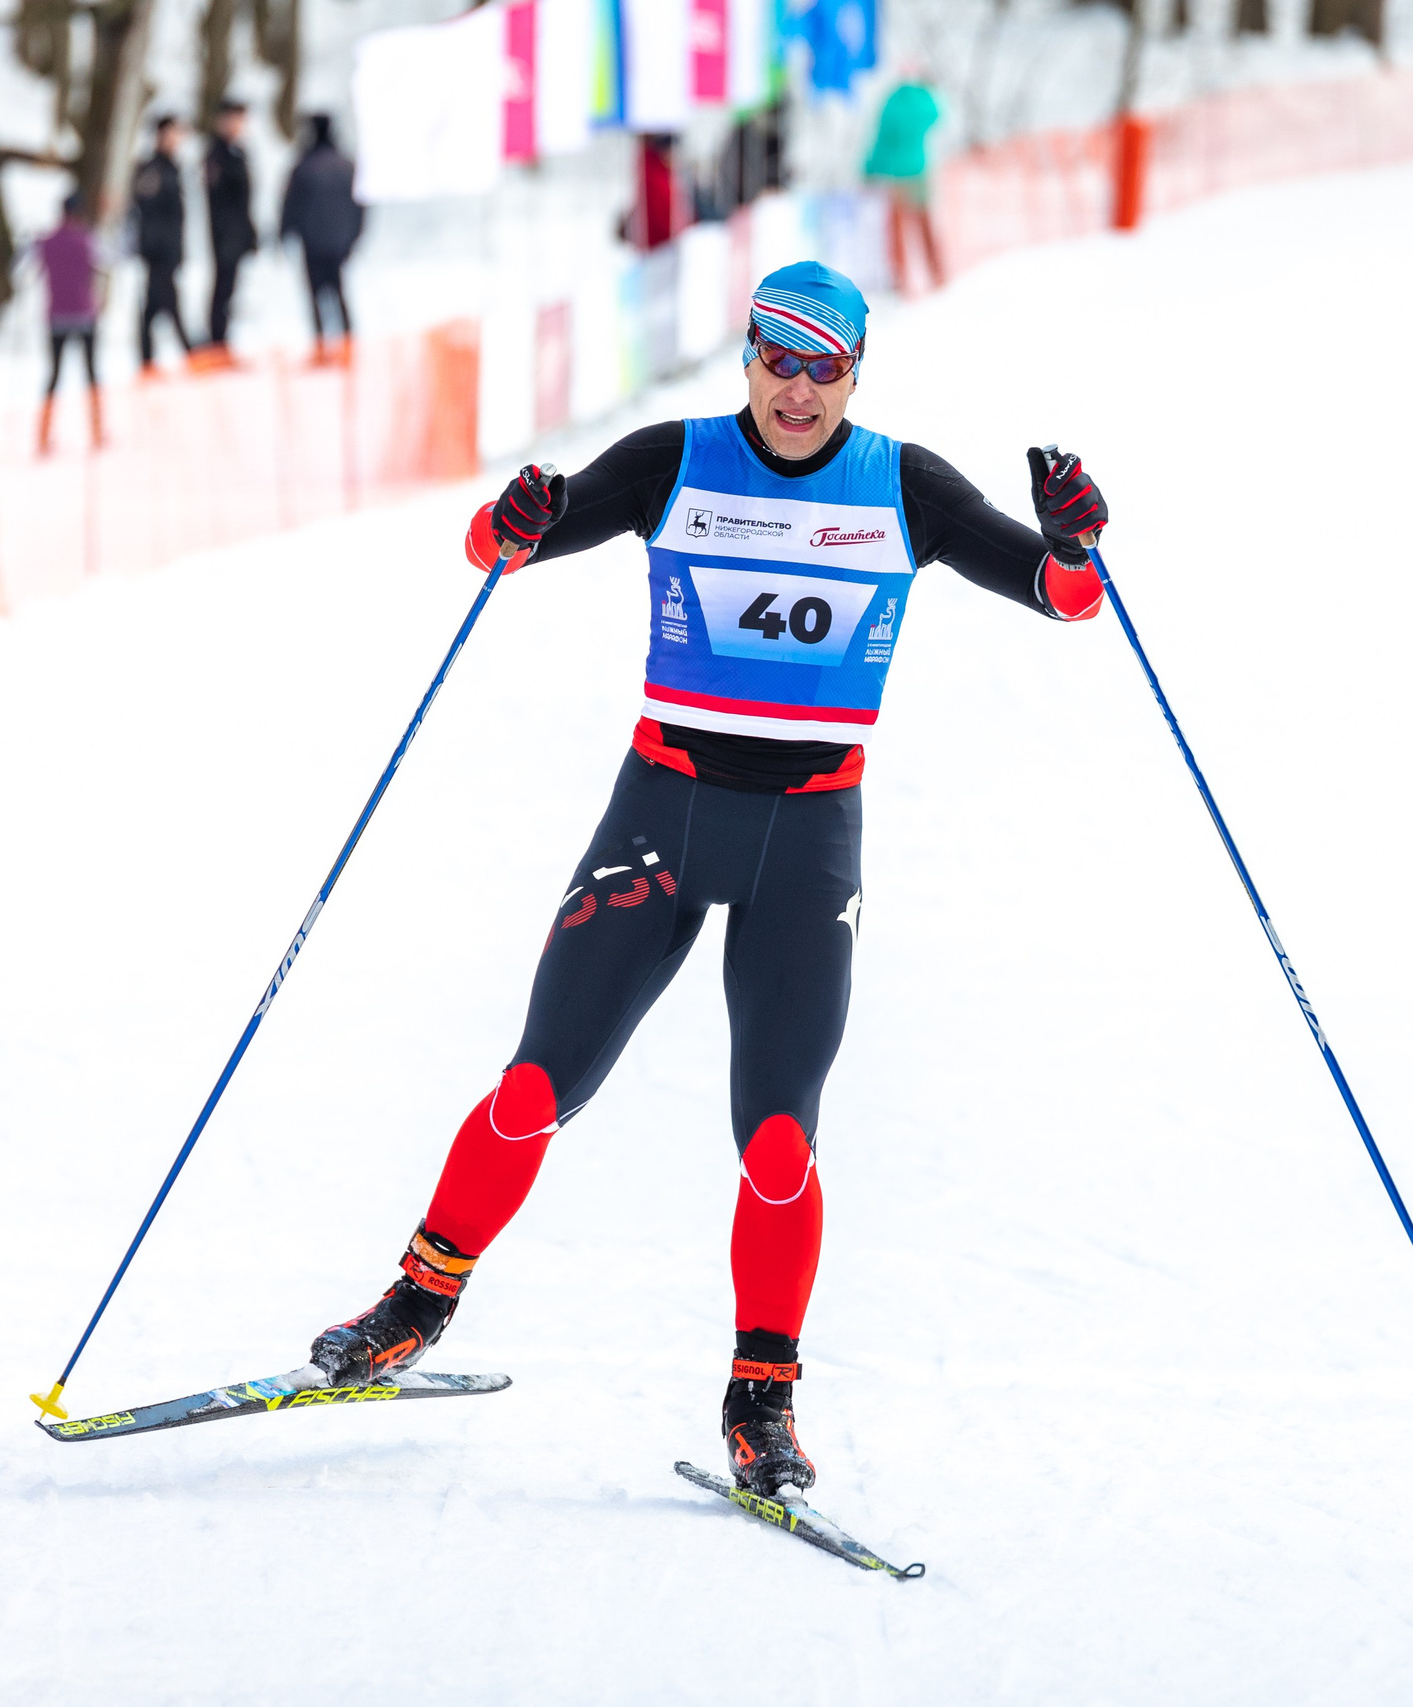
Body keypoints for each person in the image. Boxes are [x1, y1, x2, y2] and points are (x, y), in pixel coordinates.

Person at [303, 261, 1112, 1501]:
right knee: (534, 1086)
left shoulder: (902, 485)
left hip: (807, 836)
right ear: (744, 358)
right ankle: (415, 1303)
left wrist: (1071, 543)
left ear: (854, 373)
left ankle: (763, 1402)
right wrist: (514, 521)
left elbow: (1065, 601)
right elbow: (497, 547)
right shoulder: (673, 459)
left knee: (780, 1139)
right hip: (663, 816)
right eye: (775, 360)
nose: (796, 389)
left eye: (822, 366)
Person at [279, 114, 364, 365]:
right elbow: (359, 206)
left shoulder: (304, 166)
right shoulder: (346, 165)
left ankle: (321, 348)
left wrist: (286, 233)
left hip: (313, 244)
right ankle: (349, 346)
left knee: (316, 297)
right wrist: (352, 237)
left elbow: (290, 205)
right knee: (339, 294)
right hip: (338, 244)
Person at [33, 194, 107, 453]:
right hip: (85, 314)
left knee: (53, 374)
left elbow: (23, 268)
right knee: (91, 373)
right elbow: (106, 263)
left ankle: (42, 434)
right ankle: (98, 431)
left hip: (56, 316)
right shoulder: (87, 239)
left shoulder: (46, 241)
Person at [863, 75, 944, 295]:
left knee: (898, 230)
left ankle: (900, 281)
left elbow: (882, 139)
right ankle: (938, 273)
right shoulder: (924, 102)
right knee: (924, 223)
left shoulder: (892, 103)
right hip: (919, 170)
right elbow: (938, 114)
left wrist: (869, 168)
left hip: (897, 175)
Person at [129, 115, 190, 376]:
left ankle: (147, 361)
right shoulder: (152, 169)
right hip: (157, 252)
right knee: (169, 307)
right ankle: (191, 355)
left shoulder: (172, 167)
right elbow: (146, 208)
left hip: (167, 250)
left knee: (153, 310)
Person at [199, 99, 257, 364]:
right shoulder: (216, 154)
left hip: (236, 233)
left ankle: (222, 341)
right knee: (222, 287)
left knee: (229, 288)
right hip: (223, 235)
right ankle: (216, 342)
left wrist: (249, 231)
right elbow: (219, 198)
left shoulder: (238, 152)